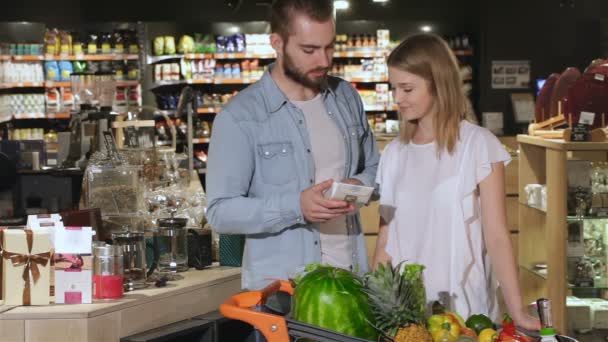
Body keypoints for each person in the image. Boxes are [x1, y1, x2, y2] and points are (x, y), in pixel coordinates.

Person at [206, 0, 380, 291]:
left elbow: (375, 168)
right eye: (309, 50)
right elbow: (220, 212)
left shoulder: (346, 97)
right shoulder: (240, 116)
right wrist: (296, 206)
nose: (324, 60)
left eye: (329, 47)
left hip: (353, 284)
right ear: (277, 43)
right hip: (284, 295)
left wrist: (356, 186)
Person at [372, 33, 540, 330]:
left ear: (437, 84)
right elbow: (385, 243)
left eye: (407, 88)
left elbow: (497, 235)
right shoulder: (394, 155)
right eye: (394, 88)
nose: (397, 98)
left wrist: (517, 311)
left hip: (465, 312)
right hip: (406, 318)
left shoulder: (478, 146)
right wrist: (375, 309)